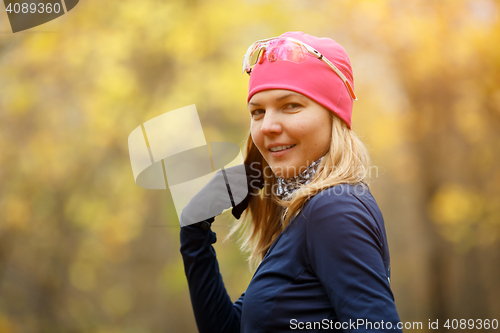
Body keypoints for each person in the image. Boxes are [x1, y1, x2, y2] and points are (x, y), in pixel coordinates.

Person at [179, 31, 402, 332]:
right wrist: (194, 232)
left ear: (333, 116)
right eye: (258, 112)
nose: (268, 126)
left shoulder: (333, 211)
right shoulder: (306, 215)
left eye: (290, 105)